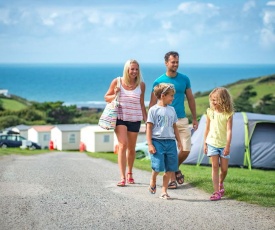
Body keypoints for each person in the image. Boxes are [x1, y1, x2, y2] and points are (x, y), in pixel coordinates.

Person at [149, 51, 198, 189]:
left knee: (186, 150)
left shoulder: (184, 79)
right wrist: (151, 124)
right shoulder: (158, 81)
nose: (175, 64)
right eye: (173, 62)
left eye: (177, 62)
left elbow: (190, 99)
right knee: (169, 151)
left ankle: (175, 169)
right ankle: (171, 179)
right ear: (166, 63)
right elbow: (152, 104)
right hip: (164, 122)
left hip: (181, 120)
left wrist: (194, 118)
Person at [104, 59, 147, 187]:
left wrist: (146, 120)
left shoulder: (141, 85)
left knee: (132, 149)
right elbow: (106, 97)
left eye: (136, 69)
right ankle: (122, 177)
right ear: (127, 69)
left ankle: (130, 173)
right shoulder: (117, 81)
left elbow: (141, 103)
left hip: (135, 118)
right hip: (120, 118)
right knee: (123, 145)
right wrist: (115, 94)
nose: (134, 71)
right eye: (132, 69)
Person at [147, 83, 183, 199]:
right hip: (157, 142)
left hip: (170, 142)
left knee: (170, 168)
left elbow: (175, 127)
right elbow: (149, 127)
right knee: (158, 167)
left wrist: (179, 141)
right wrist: (150, 144)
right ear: (163, 95)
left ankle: (164, 191)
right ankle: (153, 179)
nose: (173, 98)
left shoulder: (172, 110)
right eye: (171, 96)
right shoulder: (153, 110)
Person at [203, 87, 234, 201]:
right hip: (211, 143)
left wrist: (227, 145)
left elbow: (230, 131)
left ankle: (221, 182)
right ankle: (216, 192)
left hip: (223, 145)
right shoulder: (210, 112)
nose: (213, 102)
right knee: (215, 166)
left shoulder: (228, 114)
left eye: (215, 100)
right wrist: (205, 144)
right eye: (212, 100)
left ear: (223, 100)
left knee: (224, 169)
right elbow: (206, 129)